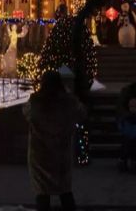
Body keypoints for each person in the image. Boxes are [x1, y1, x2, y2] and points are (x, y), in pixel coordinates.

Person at [23, 70, 86, 211]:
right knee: (64, 190)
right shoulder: (69, 101)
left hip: (40, 153)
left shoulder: (35, 101)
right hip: (61, 152)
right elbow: (82, 113)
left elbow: (27, 113)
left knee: (42, 192)